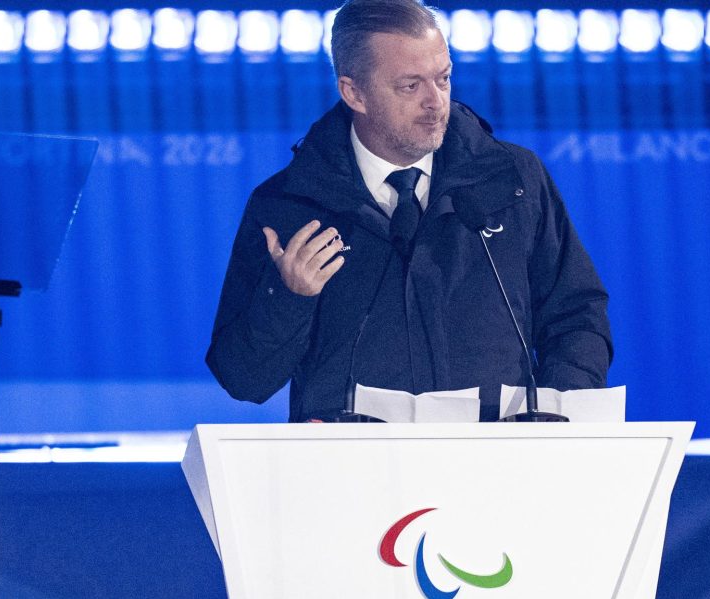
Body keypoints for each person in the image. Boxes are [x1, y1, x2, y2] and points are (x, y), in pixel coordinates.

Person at [207, 0, 612, 422]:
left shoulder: (512, 180)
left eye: (443, 79)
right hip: (350, 475)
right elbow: (243, 380)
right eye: (410, 86)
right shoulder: (290, 205)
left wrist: (557, 414)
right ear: (354, 93)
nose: (435, 102)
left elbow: (577, 315)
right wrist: (289, 298)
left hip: (498, 468)